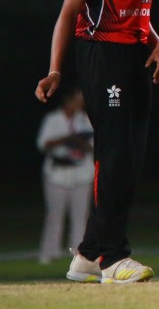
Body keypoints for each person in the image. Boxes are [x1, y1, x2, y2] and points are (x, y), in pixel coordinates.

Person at [35, 0, 159, 284]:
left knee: (130, 159)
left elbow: (138, 13)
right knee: (113, 156)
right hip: (104, 56)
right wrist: (55, 70)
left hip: (136, 57)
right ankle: (112, 259)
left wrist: (158, 43)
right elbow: (68, 14)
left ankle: (86, 254)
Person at [36, 87, 95, 265]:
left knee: (80, 217)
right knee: (55, 215)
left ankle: (79, 255)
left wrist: (80, 141)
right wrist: (67, 139)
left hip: (81, 172)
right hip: (56, 173)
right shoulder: (53, 119)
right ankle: (49, 253)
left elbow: (94, 145)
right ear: (68, 100)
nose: (81, 103)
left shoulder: (86, 120)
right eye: (78, 99)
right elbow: (43, 144)